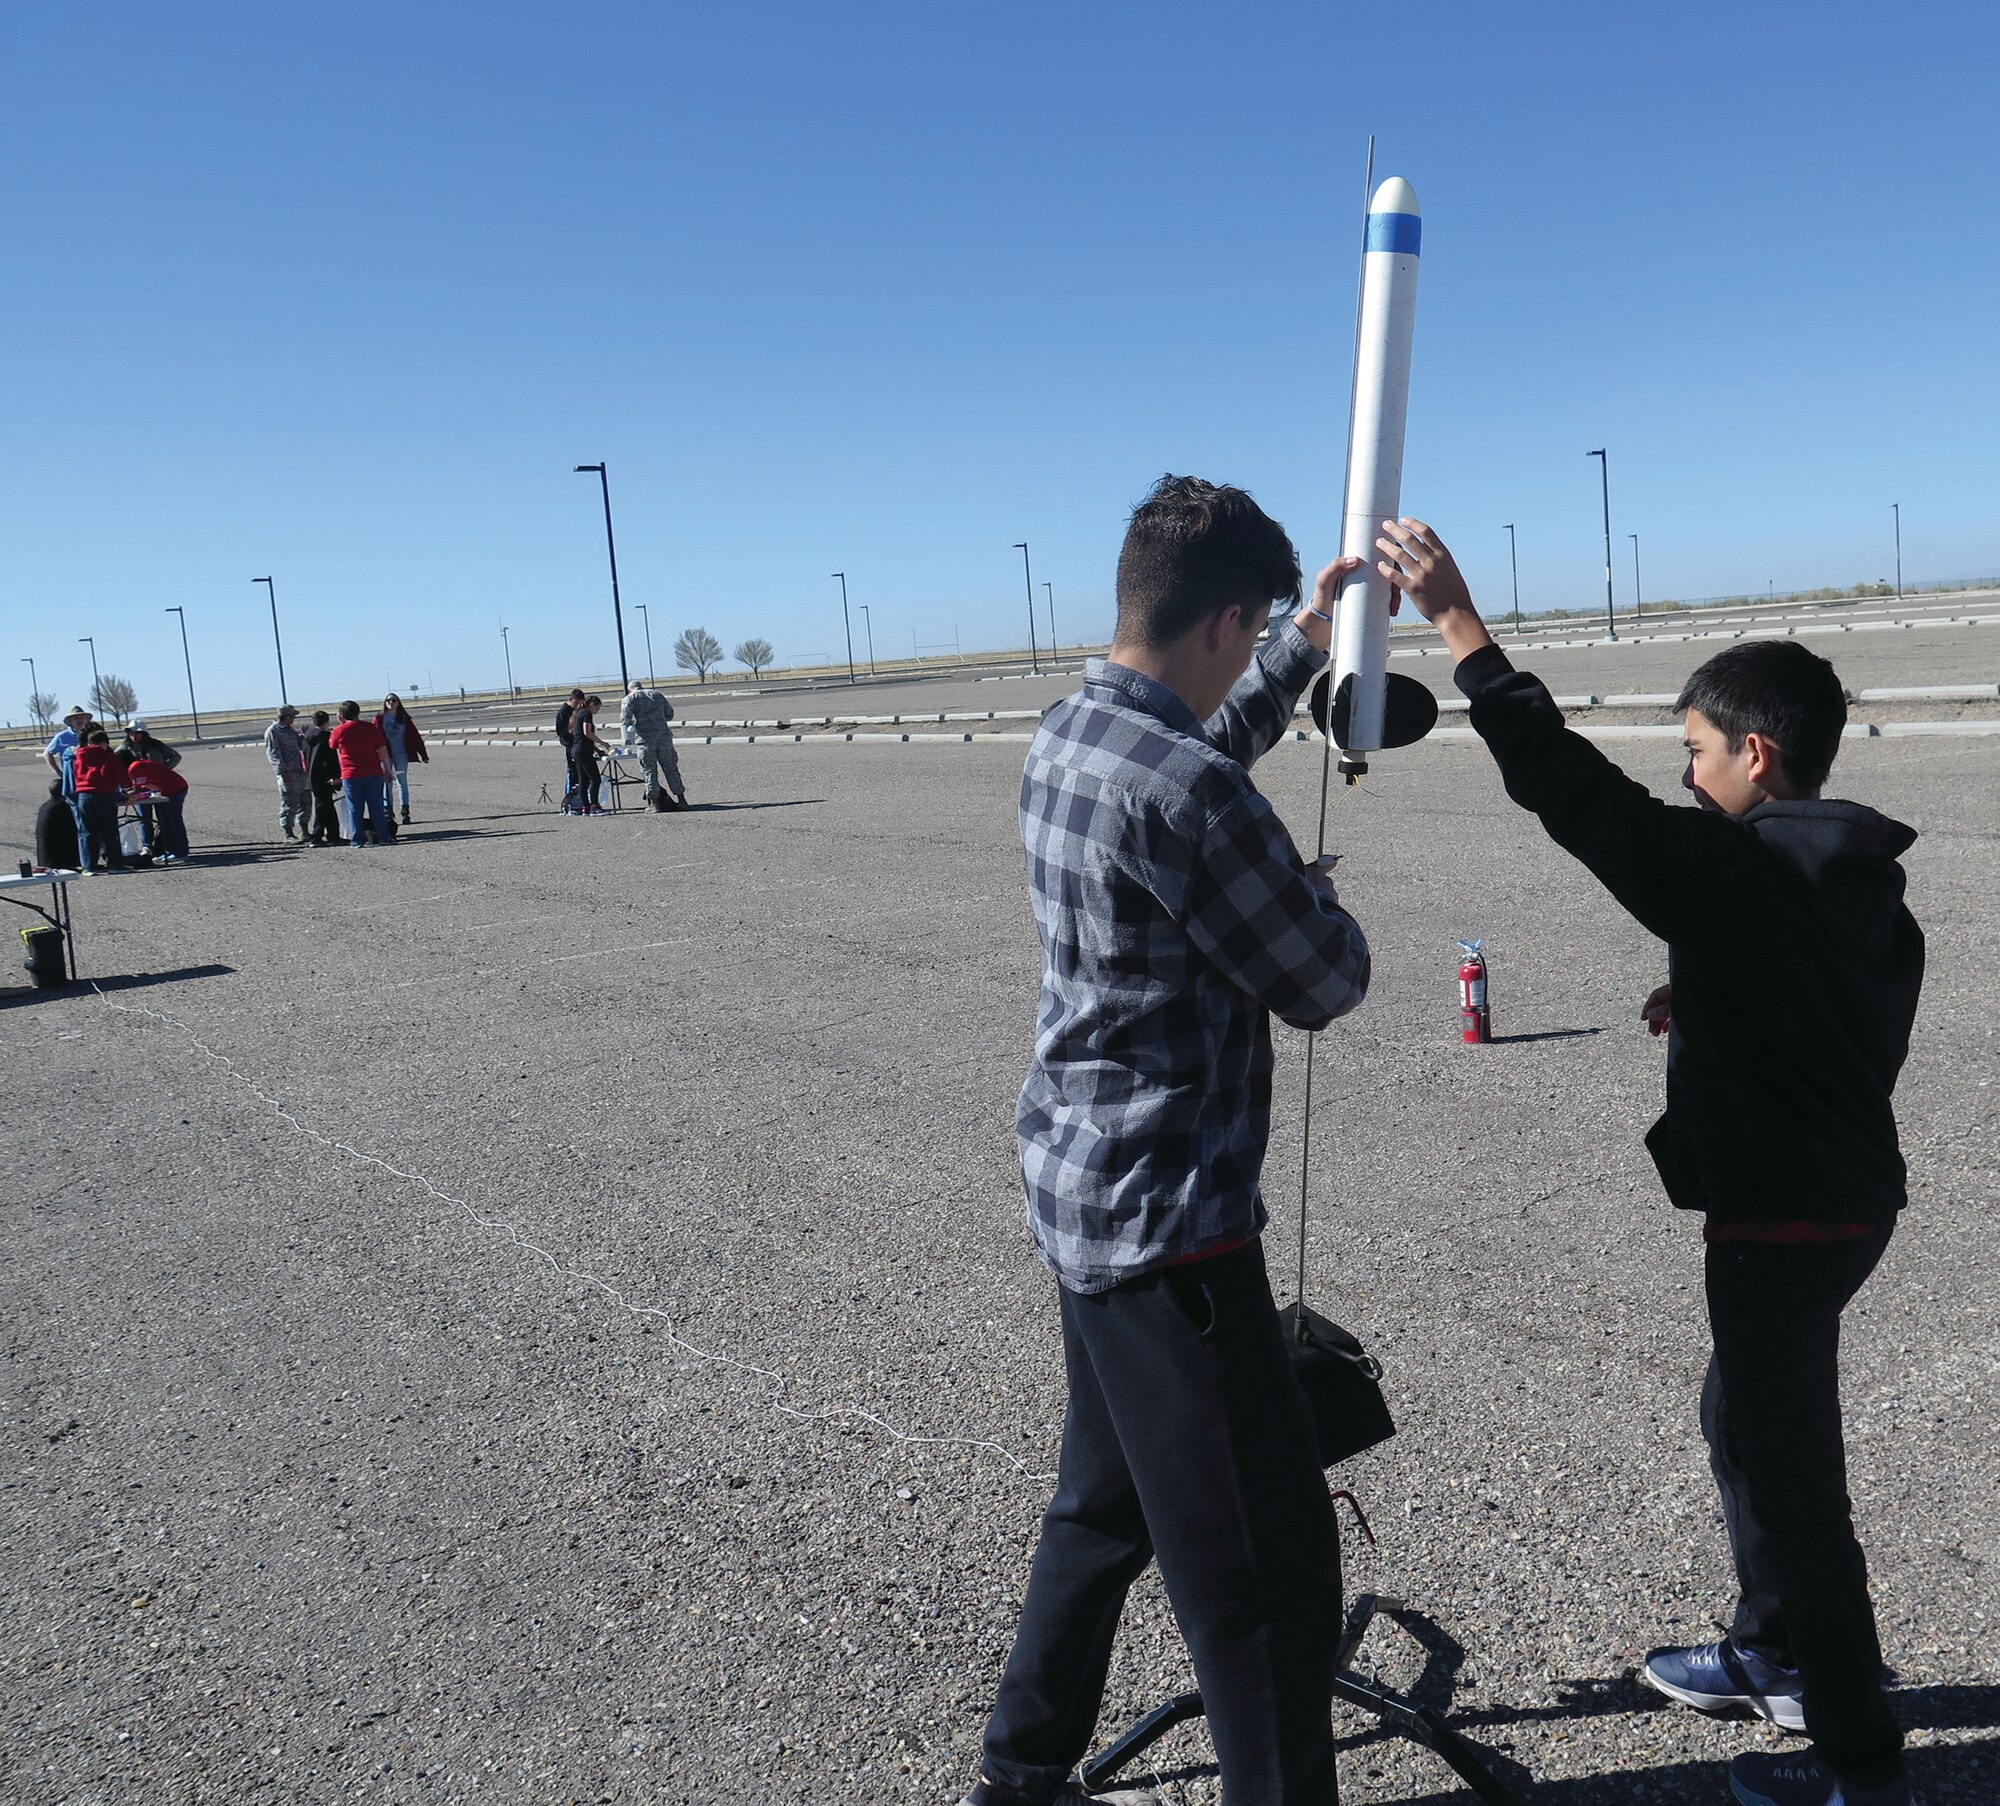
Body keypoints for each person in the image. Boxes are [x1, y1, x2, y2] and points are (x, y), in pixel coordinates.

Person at [1379, 517, 1923, 1806]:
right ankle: (1767, 1646)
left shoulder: (1731, 879)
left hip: (1777, 1226)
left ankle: (1853, 1758)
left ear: (1754, 753)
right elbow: (1844, 1016)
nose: (1680, 780)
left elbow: (1570, 794)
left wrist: (1460, 629)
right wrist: (1715, 997)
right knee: (1736, 1417)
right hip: (1847, 1208)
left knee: (1799, 1496)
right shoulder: (1852, 885)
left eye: (1691, 754)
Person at [969, 476, 1372, 1806]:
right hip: (1179, 1233)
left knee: (1102, 1506)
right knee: (1264, 1589)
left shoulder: (1069, 732)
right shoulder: (1196, 795)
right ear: (1225, 619)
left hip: (1086, 1203)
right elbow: (1321, 979)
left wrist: (1304, 647)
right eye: (1257, 637)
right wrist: (1310, 902)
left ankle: (1023, 1768)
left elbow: (1196, 748)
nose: (1252, 662)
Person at [328, 700, 393, 847]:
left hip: (351, 774)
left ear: (342, 715)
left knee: (355, 808)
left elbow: (332, 745)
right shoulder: (370, 728)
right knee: (376, 807)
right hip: (373, 772)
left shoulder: (339, 730)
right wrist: (387, 770)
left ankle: (357, 839)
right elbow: (382, 750)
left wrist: (341, 723)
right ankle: (383, 837)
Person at [620, 678, 689, 810]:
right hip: (664, 737)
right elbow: (669, 714)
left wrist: (635, 725)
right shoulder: (657, 694)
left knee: (649, 771)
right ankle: (682, 799)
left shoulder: (629, 699)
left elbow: (625, 719)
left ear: (630, 689)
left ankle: (655, 803)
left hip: (645, 739)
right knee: (671, 768)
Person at [71, 729, 128, 873]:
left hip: (84, 795)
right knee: (109, 830)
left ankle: (89, 866)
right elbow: (120, 775)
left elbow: (75, 775)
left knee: (87, 831)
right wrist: (127, 787)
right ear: (104, 743)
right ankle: (114, 864)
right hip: (103, 794)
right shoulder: (107, 756)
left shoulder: (79, 756)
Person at [122, 746, 190, 865]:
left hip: (175, 789)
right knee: (165, 822)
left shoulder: (134, 767)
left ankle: (180, 852)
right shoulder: (138, 765)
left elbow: (136, 790)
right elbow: (143, 786)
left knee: (173, 821)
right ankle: (168, 851)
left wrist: (124, 795)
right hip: (165, 789)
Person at [122, 722, 181, 854]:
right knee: (144, 818)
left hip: (157, 786)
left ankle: (164, 845)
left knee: (163, 817)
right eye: (131, 733)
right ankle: (147, 846)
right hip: (137, 788)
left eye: (137, 733)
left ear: (144, 733)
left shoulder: (156, 745)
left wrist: (163, 770)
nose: (134, 736)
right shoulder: (124, 748)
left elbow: (175, 756)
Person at [374, 692, 429, 825]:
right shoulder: (379, 718)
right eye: (388, 700)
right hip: (385, 755)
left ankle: (405, 812)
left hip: (401, 754)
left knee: (402, 783)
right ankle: (388, 812)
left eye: (393, 700)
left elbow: (415, 736)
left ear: (398, 703)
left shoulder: (404, 718)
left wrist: (423, 754)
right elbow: (373, 737)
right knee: (386, 783)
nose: (390, 702)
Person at [263, 705, 311, 841]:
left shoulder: (290, 730)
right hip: (288, 773)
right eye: (293, 716)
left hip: (300, 772)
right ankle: (288, 833)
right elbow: (274, 754)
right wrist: (282, 772)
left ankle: (304, 831)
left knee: (305, 802)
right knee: (289, 803)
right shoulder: (273, 731)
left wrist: (304, 736)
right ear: (287, 717)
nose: (294, 719)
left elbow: (299, 746)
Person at [304, 710, 345, 845]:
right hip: (325, 776)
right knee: (322, 808)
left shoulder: (307, 736)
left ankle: (333, 835)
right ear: (326, 722)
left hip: (312, 776)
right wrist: (336, 776)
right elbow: (331, 759)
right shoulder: (326, 736)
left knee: (327, 807)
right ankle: (316, 836)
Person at [569, 694, 607, 816]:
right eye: (598, 708)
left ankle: (585, 807)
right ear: (592, 704)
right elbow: (586, 732)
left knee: (583, 781)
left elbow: (582, 736)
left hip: (577, 750)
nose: (597, 711)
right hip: (583, 752)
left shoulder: (579, 713)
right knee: (595, 779)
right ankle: (594, 805)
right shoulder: (586, 713)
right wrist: (602, 743)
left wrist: (596, 749)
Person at [34, 780, 81, 871]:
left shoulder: (45, 805)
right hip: (56, 858)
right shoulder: (61, 806)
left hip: (44, 857)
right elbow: (72, 828)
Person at [42, 705, 93, 778]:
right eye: (76, 718)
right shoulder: (62, 736)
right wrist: (58, 772)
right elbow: (47, 754)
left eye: (82, 717)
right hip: (71, 776)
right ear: (70, 721)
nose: (80, 720)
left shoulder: (92, 734)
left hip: (91, 775)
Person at [554, 688, 585, 811]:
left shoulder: (576, 711)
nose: (578, 705)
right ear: (571, 699)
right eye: (576, 702)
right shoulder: (563, 712)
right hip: (569, 745)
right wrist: (571, 734)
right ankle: (569, 797)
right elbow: (560, 731)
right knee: (572, 771)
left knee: (579, 772)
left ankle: (579, 797)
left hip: (576, 745)